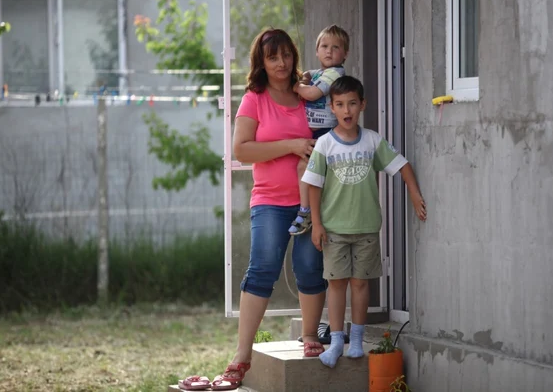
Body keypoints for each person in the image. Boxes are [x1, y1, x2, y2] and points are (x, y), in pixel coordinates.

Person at [179, 28, 327, 391]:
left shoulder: (307, 95)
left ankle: (310, 337)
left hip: (311, 199)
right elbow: (241, 150)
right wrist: (291, 144)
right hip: (270, 201)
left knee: (310, 267)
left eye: (287, 55)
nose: (282, 63)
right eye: (273, 57)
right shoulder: (254, 99)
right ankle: (241, 355)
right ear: (261, 62)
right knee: (262, 269)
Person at [302, 75, 427, 369]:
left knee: (360, 285)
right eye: (340, 104)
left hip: (367, 229)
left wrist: (414, 193)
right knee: (336, 285)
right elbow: (313, 186)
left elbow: (403, 165)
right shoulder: (324, 145)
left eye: (352, 104)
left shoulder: (373, 140)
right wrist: (317, 225)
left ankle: (356, 341)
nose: (347, 110)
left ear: (363, 105)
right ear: (332, 107)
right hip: (333, 230)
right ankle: (335, 342)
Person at [288, 24, 349, 236]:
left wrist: (297, 87)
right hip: (315, 132)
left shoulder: (335, 74)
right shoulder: (321, 72)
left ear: (345, 54)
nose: (328, 51)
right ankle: (311, 210)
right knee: (307, 170)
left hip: (325, 132)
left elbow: (313, 93)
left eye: (335, 47)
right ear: (316, 50)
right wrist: (304, 78)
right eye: (324, 46)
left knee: (304, 168)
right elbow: (307, 75)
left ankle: (306, 212)